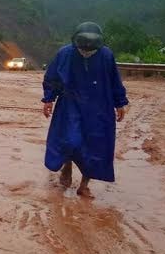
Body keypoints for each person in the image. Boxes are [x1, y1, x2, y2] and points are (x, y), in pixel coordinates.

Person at [41, 22, 129, 196]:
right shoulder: (65, 54)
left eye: (90, 50)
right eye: (83, 49)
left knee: (95, 146)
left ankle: (84, 184)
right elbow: (52, 77)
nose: (86, 52)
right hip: (70, 104)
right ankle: (67, 165)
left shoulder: (106, 56)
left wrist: (120, 103)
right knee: (70, 140)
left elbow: (114, 81)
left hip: (99, 107)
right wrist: (49, 99)